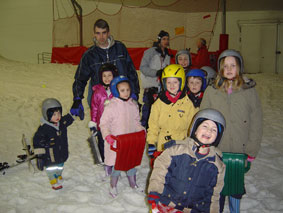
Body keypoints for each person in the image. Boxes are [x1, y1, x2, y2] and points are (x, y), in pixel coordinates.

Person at [200, 49, 263, 213]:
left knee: (235, 186)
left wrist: (251, 149)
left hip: (239, 149)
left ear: (239, 67)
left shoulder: (249, 91)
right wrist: (203, 144)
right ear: (220, 68)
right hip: (216, 149)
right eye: (225, 66)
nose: (228, 69)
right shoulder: (212, 90)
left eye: (232, 65)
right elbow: (203, 118)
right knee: (217, 186)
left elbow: (256, 121)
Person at [147, 108, 226, 213]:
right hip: (169, 205)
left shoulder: (217, 165)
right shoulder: (175, 151)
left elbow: (214, 194)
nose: (208, 131)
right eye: (205, 126)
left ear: (218, 137)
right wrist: (155, 191)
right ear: (195, 129)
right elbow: (160, 172)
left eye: (214, 130)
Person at [70, 19, 140, 120]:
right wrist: (77, 98)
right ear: (93, 34)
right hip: (100, 97)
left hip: (120, 94)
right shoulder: (89, 55)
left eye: (104, 33)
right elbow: (80, 78)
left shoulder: (120, 48)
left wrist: (134, 93)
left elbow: (131, 71)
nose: (101, 37)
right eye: (98, 33)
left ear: (108, 33)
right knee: (102, 126)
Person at [99, 76, 145, 197]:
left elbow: (136, 121)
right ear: (115, 90)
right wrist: (107, 136)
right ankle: (113, 186)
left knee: (130, 164)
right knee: (117, 167)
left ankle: (133, 183)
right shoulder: (111, 107)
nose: (126, 93)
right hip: (116, 143)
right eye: (122, 90)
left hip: (130, 142)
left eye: (128, 90)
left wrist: (140, 130)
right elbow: (103, 124)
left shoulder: (133, 106)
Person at [146, 64, 197, 166]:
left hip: (182, 144)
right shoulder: (158, 104)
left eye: (175, 82)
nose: (172, 85)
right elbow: (153, 125)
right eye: (168, 82)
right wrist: (151, 142)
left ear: (181, 82)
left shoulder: (188, 104)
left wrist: (194, 143)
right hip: (163, 145)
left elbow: (193, 127)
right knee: (162, 173)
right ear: (164, 83)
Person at [33, 98, 76, 190]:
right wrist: (40, 156)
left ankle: (58, 175)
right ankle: (53, 180)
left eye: (59, 113)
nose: (58, 116)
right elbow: (37, 141)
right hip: (50, 155)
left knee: (60, 166)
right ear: (46, 115)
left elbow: (67, 119)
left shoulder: (61, 123)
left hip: (61, 152)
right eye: (54, 114)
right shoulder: (44, 129)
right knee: (52, 169)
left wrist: (75, 113)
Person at [139, 30, 171, 129]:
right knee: (148, 110)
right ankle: (144, 130)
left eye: (167, 39)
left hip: (161, 88)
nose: (166, 41)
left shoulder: (167, 54)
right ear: (159, 40)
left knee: (159, 112)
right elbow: (143, 68)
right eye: (164, 39)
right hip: (150, 86)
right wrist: (156, 72)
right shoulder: (150, 52)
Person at [88, 63, 118, 164]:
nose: (107, 78)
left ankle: (115, 159)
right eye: (104, 76)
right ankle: (105, 160)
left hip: (115, 124)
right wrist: (93, 121)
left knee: (115, 142)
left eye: (109, 75)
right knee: (102, 142)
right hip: (102, 124)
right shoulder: (97, 92)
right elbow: (94, 107)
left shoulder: (117, 90)